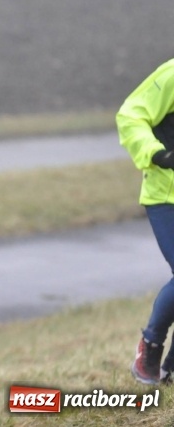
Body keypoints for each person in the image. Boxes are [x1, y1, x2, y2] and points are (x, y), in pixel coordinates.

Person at [117, 57, 174, 385]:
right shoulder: (171, 74)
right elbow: (130, 114)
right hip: (166, 197)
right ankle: (150, 346)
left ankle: (169, 370)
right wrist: (156, 153)